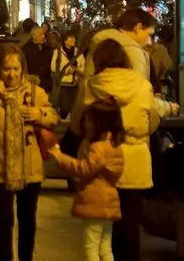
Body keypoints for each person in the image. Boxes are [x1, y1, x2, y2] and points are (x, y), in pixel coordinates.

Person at [73, 38, 177, 261]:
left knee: (101, 230)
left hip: (101, 161)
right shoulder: (142, 86)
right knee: (130, 223)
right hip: (135, 160)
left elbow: (77, 122)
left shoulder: (92, 86)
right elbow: (151, 122)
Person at [0, 43, 59, 261]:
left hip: (29, 166)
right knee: (3, 221)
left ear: (23, 68)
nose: (12, 74)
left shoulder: (35, 92)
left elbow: (53, 117)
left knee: (27, 220)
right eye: (6, 69)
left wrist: (39, 113)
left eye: (16, 68)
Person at [47, 100, 127, 261]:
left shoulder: (99, 147)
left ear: (98, 123)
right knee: (105, 247)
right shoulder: (115, 145)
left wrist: (59, 156)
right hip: (109, 200)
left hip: (95, 200)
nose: (86, 124)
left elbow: (84, 168)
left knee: (91, 247)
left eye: (89, 120)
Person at [52, 26, 85, 118]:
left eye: (74, 38)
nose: (74, 39)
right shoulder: (58, 52)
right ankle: (60, 121)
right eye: (71, 38)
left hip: (75, 84)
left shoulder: (77, 52)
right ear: (65, 41)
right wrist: (68, 70)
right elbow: (54, 67)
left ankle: (72, 125)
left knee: (74, 108)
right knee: (65, 108)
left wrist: (78, 70)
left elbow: (83, 66)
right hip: (64, 84)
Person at [21, 22, 54, 93]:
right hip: (32, 85)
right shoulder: (26, 49)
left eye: (43, 34)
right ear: (33, 36)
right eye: (40, 34)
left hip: (46, 85)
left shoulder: (48, 49)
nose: (43, 36)